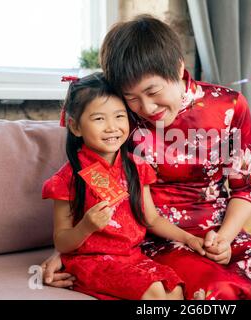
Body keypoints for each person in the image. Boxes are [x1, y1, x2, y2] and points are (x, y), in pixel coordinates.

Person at [42, 15, 251, 300]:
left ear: (178, 67)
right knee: (215, 292)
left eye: (153, 91)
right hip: (150, 238)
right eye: (132, 97)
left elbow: (246, 187)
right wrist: (66, 249)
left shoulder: (230, 106)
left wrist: (224, 237)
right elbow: (94, 181)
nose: (146, 107)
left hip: (219, 231)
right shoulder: (123, 118)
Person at [41, 72, 206, 300]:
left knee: (174, 290)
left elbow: (152, 219)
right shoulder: (66, 179)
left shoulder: (137, 167)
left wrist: (188, 238)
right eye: (99, 119)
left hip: (132, 256)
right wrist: (86, 227)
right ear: (75, 127)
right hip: (92, 260)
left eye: (119, 116)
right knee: (155, 294)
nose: (112, 127)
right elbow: (62, 240)